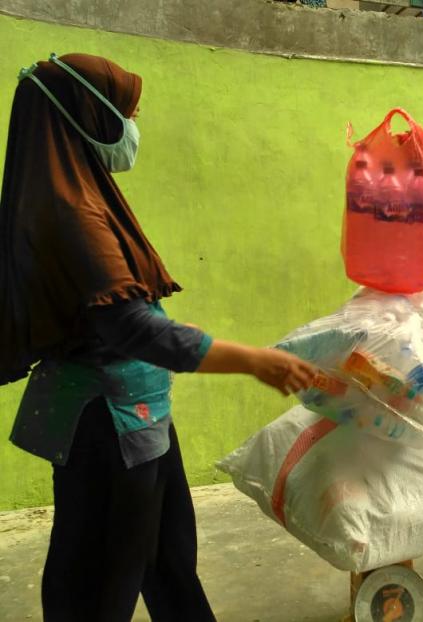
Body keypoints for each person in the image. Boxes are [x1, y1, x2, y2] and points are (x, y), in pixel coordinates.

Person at [1, 53, 317, 620]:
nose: (133, 127)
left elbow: (122, 309)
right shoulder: (70, 212)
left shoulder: (79, 192)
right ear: (87, 117)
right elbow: (129, 327)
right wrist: (253, 360)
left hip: (137, 417)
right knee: (99, 582)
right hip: (107, 425)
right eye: (127, 114)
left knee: (165, 557)